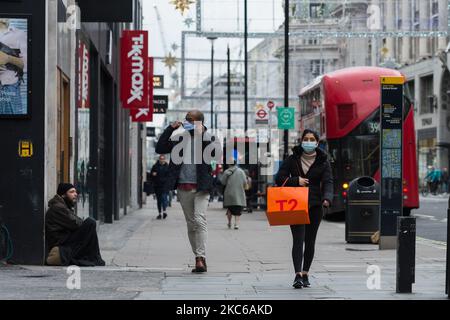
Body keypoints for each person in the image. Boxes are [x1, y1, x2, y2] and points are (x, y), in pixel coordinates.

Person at [155, 110, 220, 273]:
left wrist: (202, 133)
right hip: (183, 185)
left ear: (199, 122)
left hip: (201, 187)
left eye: (190, 119)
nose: (186, 122)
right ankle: (198, 258)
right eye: (186, 119)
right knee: (191, 224)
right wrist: (170, 128)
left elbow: (216, 154)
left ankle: (200, 257)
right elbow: (160, 147)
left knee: (199, 219)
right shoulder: (179, 137)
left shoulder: (208, 137)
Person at [275, 129, 333, 289]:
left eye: (311, 139)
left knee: (310, 240)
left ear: (316, 142)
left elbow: (328, 181)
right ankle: (297, 275)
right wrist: (295, 180)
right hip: (295, 203)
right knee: (298, 240)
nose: (308, 142)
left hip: (315, 205)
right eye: (305, 139)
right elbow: (279, 178)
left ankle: (306, 272)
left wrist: (327, 198)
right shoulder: (292, 159)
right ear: (301, 141)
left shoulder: (323, 161)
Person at [45, 183, 105, 266]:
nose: (75, 194)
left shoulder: (63, 206)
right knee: (90, 223)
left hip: (65, 239)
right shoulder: (58, 208)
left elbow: (75, 222)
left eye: (75, 192)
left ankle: (94, 257)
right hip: (61, 242)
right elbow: (76, 224)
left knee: (89, 224)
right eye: (72, 192)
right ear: (63, 195)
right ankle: (95, 257)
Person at [0, 18, 27, 115]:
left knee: (16, 125)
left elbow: (25, 64)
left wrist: (7, 58)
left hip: (11, 89)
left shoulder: (19, 34)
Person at [220, 160, 248, 230]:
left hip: (229, 193)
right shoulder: (241, 171)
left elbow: (223, 182)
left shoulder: (226, 172)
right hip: (239, 192)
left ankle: (229, 222)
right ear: (235, 163)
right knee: (238, 209)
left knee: (230, 209)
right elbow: (245, 182)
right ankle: (236, 224)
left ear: (229, 164)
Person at [150, 154, 171, 219]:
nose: (162, 160)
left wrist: (169, 183)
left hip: (165, 185)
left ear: (164, 159)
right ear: (159, 159)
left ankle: (164, 211)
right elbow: (151, 175)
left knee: (164, 198)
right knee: (159, 200)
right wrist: (153, 174)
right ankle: (159, 213)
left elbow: (170, 176)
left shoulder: (167, 166)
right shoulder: (155, 166)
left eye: (163, 159)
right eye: (161, 159)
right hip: (157, 185)